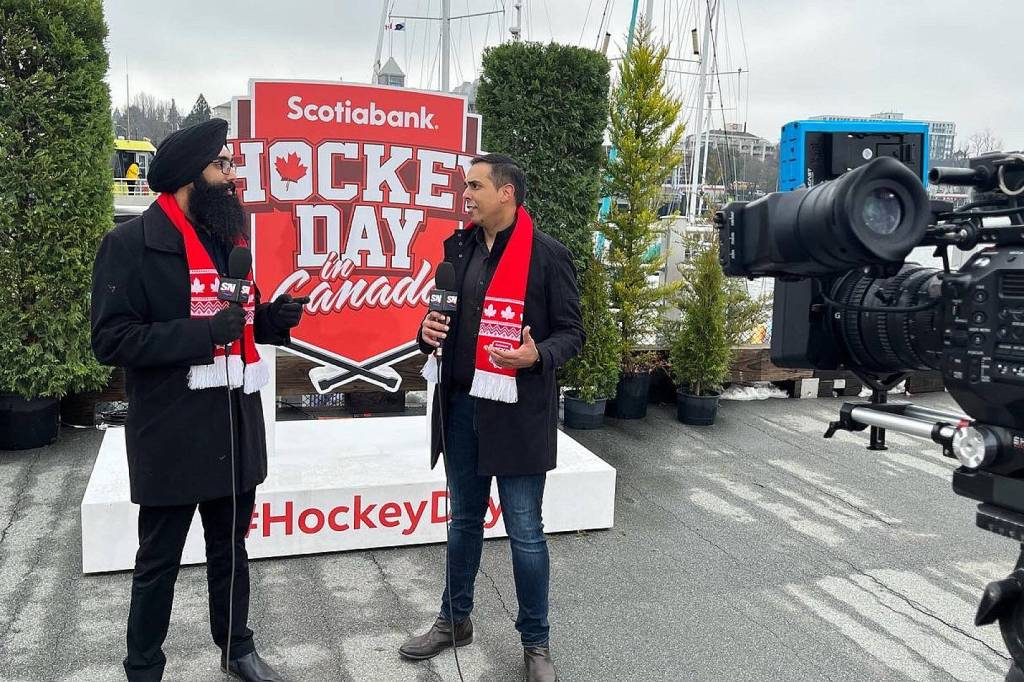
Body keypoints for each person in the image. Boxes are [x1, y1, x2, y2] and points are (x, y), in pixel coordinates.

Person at [92, 119, 306, 682]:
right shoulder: (129, 245)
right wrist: (200, 335)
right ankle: (143, 666)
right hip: (170, 429)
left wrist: (271, 323)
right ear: (192, 176)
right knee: (158, 560)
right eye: (223, 167)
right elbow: (110, 340)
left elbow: (237, 319)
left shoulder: (227, 240)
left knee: (230, 551)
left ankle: (236, 648)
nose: (233, 177)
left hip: (232, 424)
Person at [401, 154, 583, 682]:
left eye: (476, 186)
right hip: (460, 407)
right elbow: (444, 319)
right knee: (462, 523)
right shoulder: (456, 251)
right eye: (465, 187)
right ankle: (454, 620)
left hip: (518, 412)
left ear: (506, 194)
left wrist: (537, 356)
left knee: (526, 531)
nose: (467, 195)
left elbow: (572, 333)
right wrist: (426, 333)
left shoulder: (547, 257)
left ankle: (536, 645)